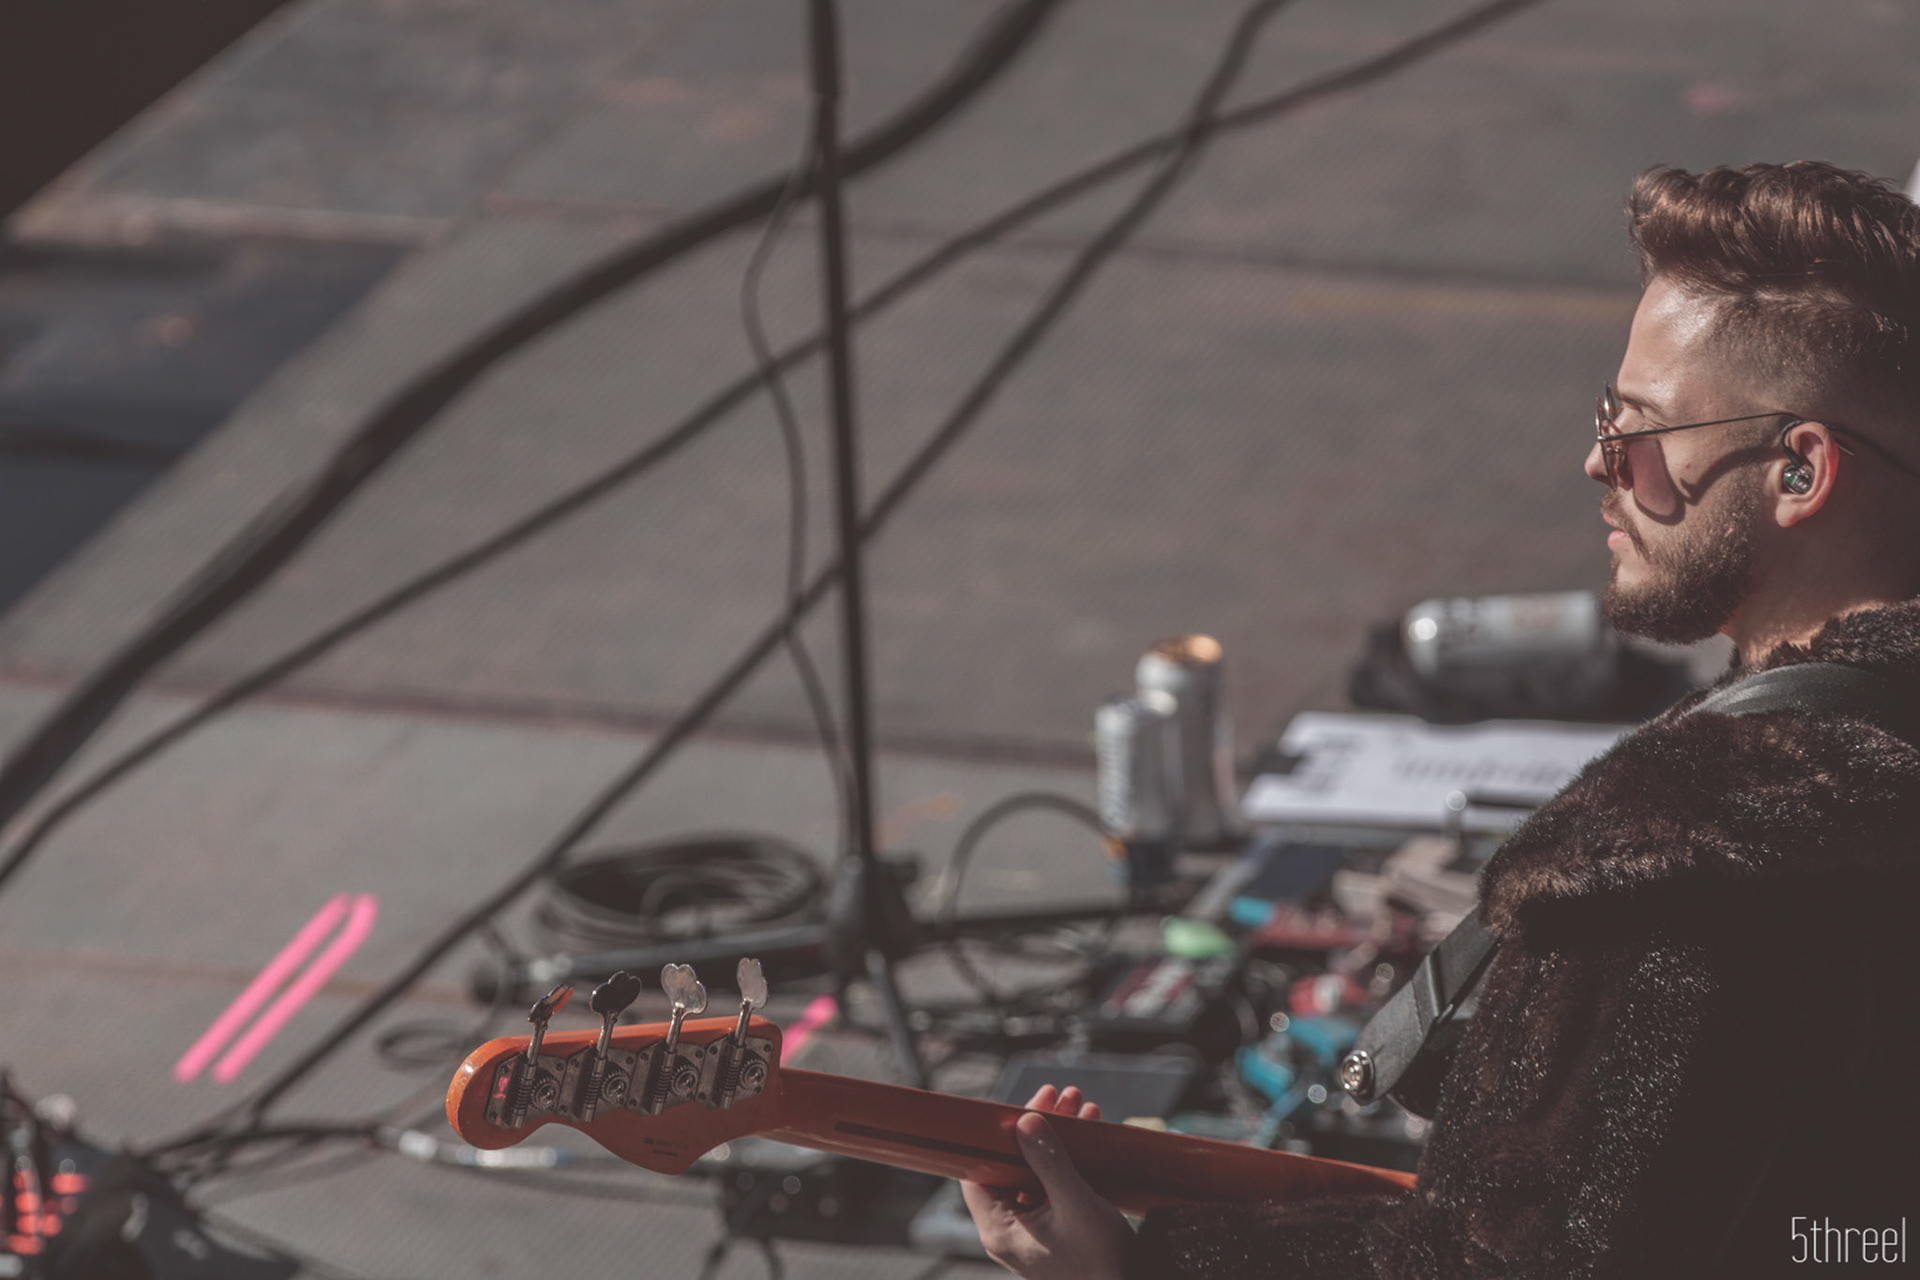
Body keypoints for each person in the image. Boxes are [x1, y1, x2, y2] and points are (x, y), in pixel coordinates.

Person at [961, 161, 1920, 1278]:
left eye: (1644, 430)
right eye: (1606, 416)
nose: (1598, 462)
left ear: (1800, 471)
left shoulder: (1681, 864)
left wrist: (1132, 1269)